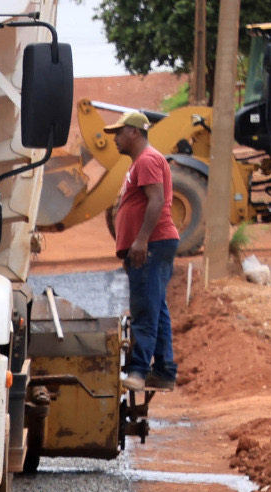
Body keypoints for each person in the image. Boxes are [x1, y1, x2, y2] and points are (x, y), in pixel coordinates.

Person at [112, 109, 182, 389]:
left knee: (144, 308)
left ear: (135, 132)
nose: (115, 138)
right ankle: (164, 371)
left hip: (152, 244)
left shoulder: (148, 160)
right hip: (152, 243)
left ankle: (139, 372)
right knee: (156, 306)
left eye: (119, 132)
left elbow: (156, 201)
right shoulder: (141, 162)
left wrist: (140, 240)